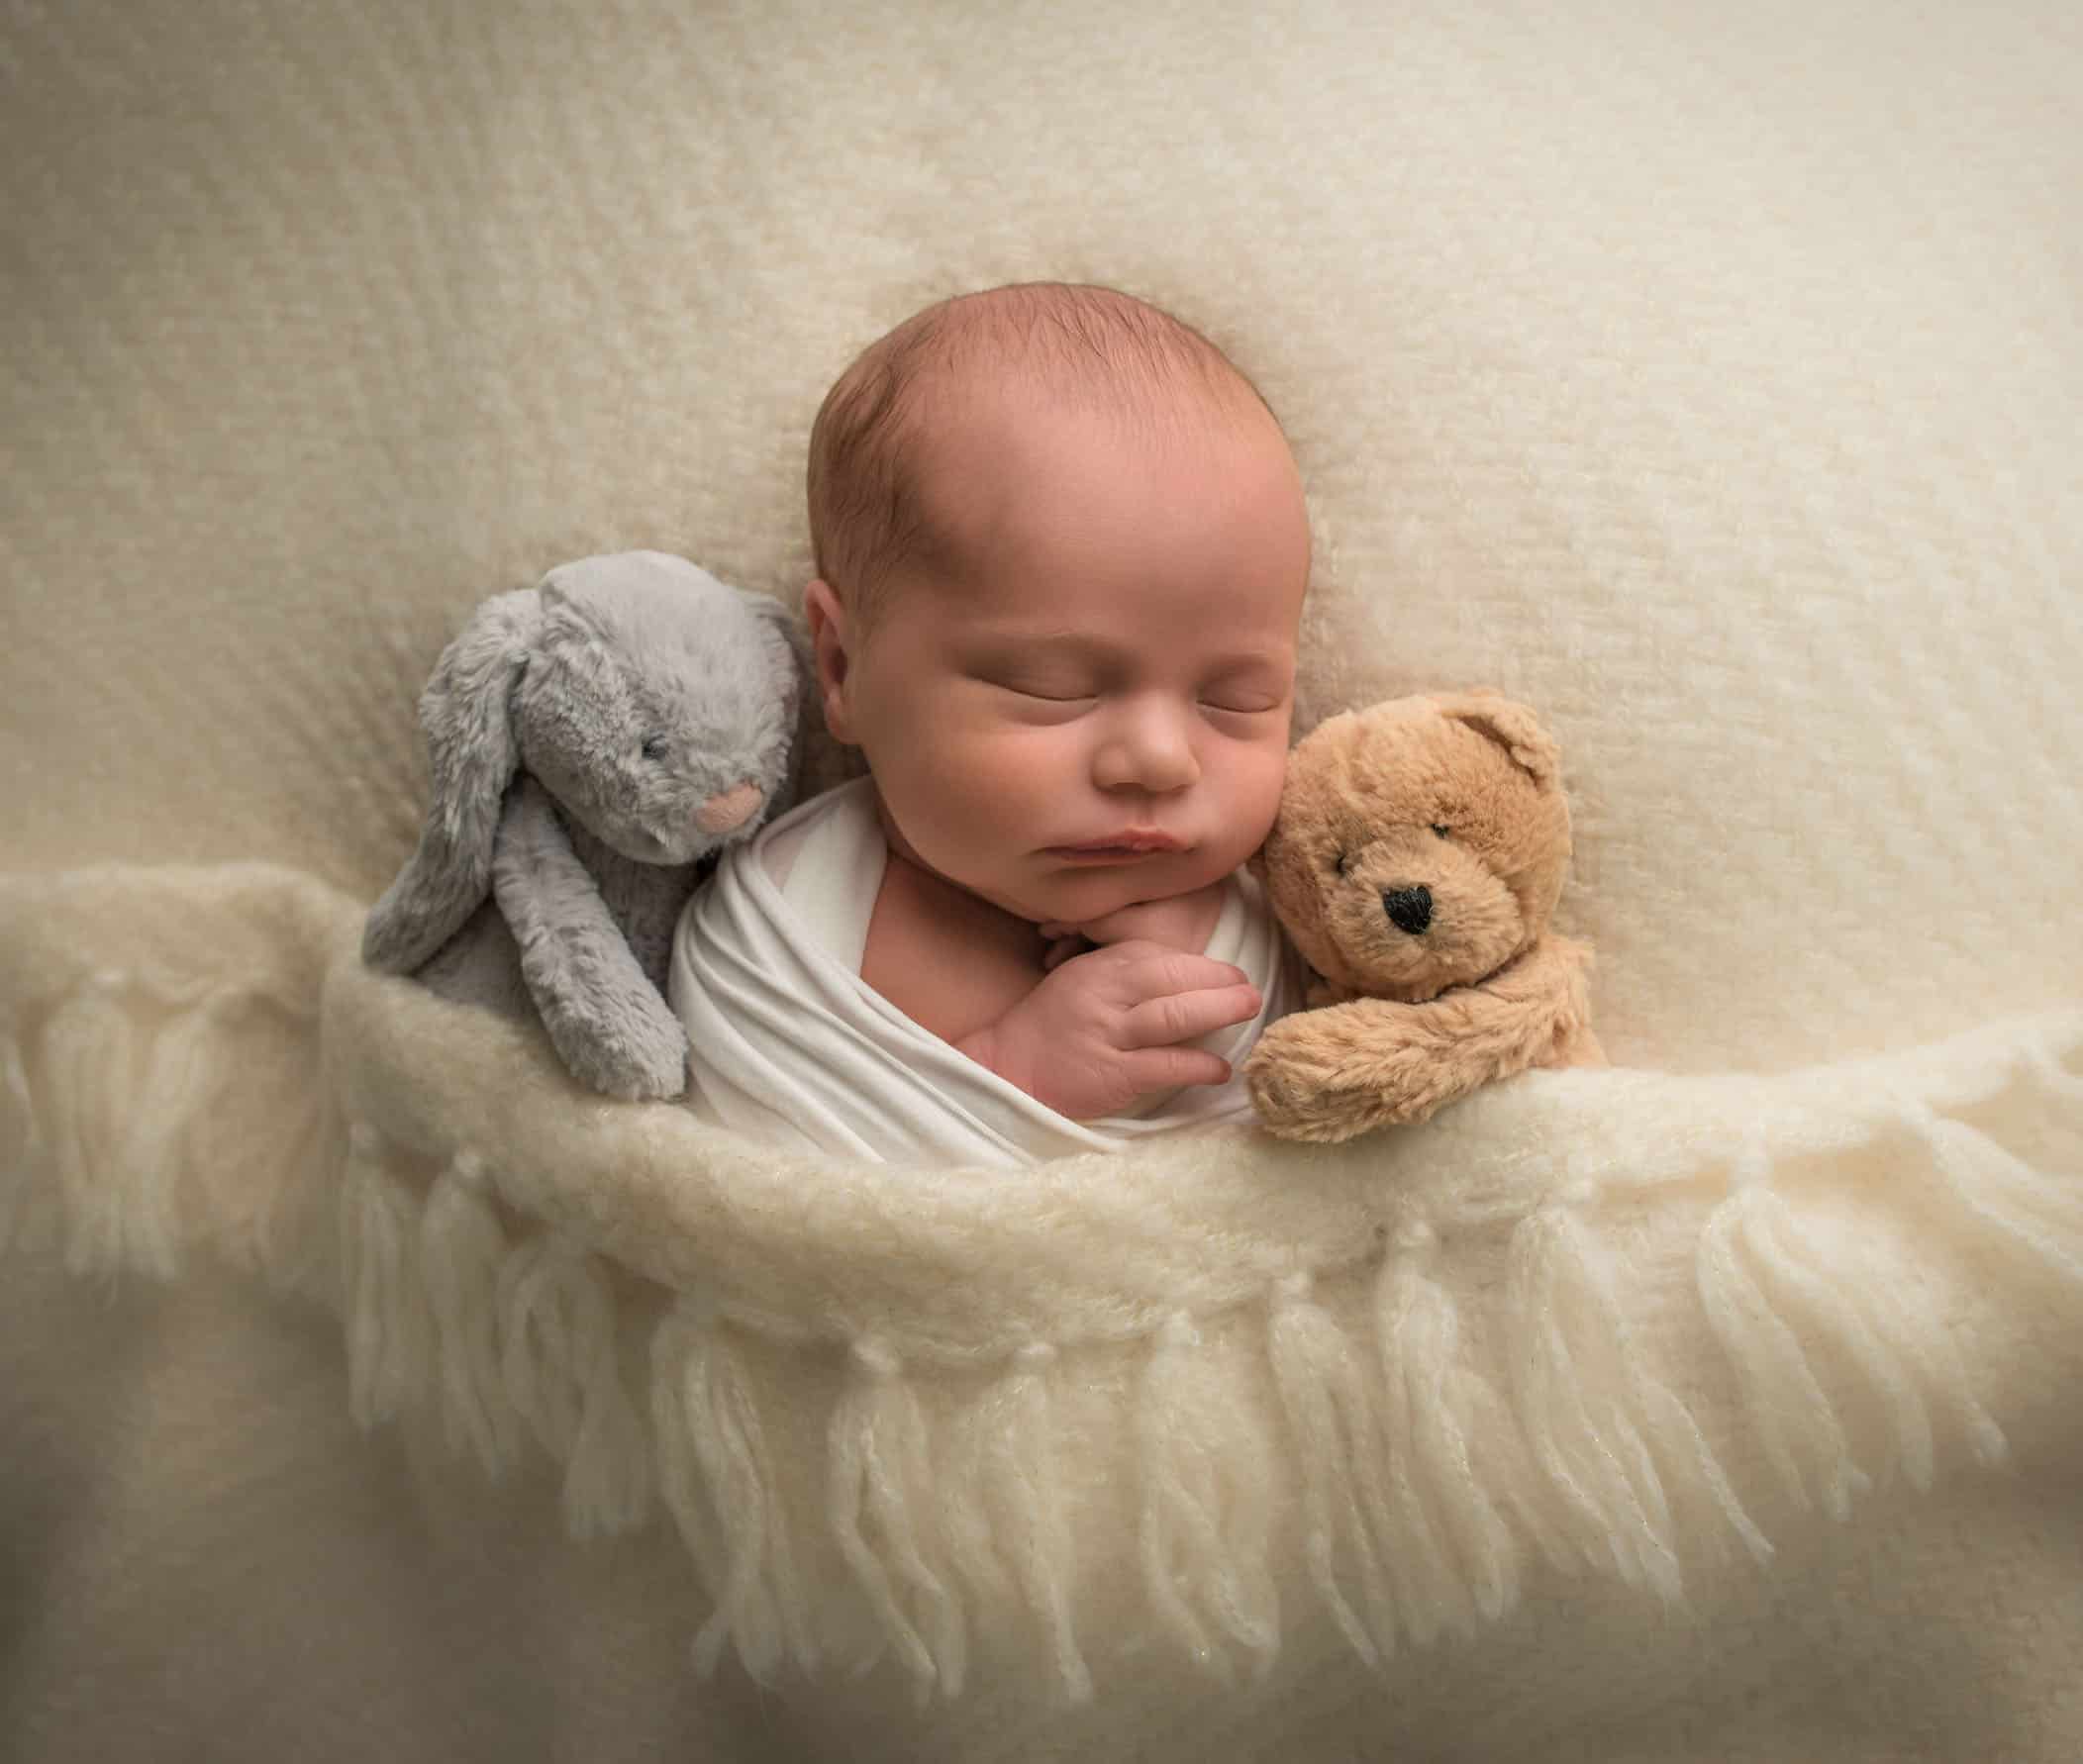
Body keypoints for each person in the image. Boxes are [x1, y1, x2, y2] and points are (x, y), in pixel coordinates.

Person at [670, 282, 1311, 1165]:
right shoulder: (781, 933)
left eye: (1237, 699)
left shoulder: (1284, 929)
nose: (1161, 759)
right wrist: (1011, 1074)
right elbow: (749, 1209)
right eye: (1052, 687)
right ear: (844, 668)